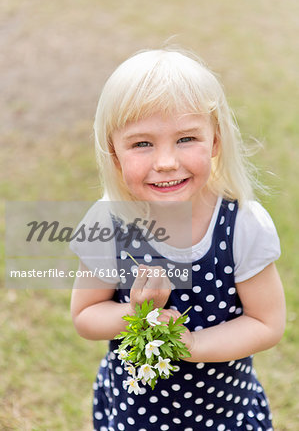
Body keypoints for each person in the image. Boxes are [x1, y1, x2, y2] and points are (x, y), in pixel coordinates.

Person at [70, 48, 285, 431]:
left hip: (224, 414)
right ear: (114, 153)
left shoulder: (241, 225)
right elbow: (86, 316)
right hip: (135, 412)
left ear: (215, 141)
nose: (166, 161)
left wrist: (189, 344)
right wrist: (138, 313)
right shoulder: (109, 222)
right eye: (142, 144)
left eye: (186, 139)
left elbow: (266, 321)